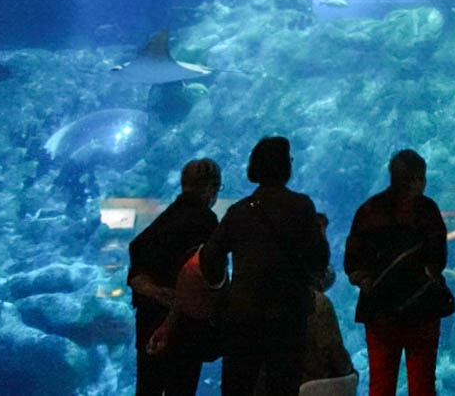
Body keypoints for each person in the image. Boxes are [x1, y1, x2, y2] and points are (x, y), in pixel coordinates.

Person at [201, 137, 329, 396]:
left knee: (238, 387)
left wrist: (224, 289)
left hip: (244, 316)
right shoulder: (301, 207)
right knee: (282, 387)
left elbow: (209, 257)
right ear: (284, 167)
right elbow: (319, 260)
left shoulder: (239, 211)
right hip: (288, 317)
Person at [345, 150, 448, 396]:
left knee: (381, 382)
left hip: (379, 311)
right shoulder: (427, 210)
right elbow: (438, 259)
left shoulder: (368, 210)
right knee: (422, 383)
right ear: (418, 179)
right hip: (422, 309)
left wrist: (365, 280)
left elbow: (352, 262)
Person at [128, 158, 221, 396]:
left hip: (148, 322)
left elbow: (136, 269)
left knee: (147, 389)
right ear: (210, 188)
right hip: (184, 329)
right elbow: (199, 278)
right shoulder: (206, 220)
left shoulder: (163, 222)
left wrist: (154, 292)